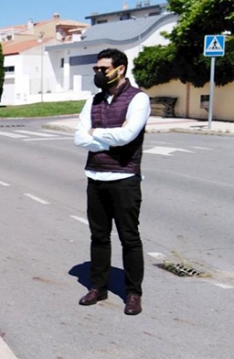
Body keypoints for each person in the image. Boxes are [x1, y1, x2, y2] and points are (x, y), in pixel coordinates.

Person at [74, 48, 150, 316]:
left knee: (129, 238)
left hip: (125, 179)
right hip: (95, 177)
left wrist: (97, 134)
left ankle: (133, 293)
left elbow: (128, 135)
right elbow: (79, 137)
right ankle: (98, 287)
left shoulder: (138, 99)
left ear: (120, 69)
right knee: (98, 236)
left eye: (102, 69)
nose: (97, 73)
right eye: (96, 69)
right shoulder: (92, 101)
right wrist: (105, 136)